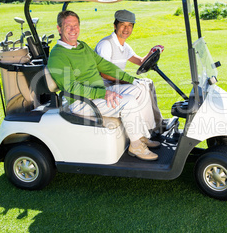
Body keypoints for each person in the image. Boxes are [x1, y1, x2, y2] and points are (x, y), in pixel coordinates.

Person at [47, 10, 159, 161]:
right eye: (68, 26)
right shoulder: (58, 55)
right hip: (81, 102)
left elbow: (104, 65)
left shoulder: (82, 46)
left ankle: (142, 135)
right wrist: (103, 94)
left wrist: (131, 79)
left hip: (98, 92)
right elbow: (71, 88)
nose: (73, 29)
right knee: (129, 101)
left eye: (76, 25)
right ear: (59, 28)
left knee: (140, 88)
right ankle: (136, 145)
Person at [94, 10, 166, 134]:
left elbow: (140, 61)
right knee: (141, 87)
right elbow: (104, 74)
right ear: (115, 25)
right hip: (104, 86)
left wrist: (152, 52)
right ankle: (150, 129)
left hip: (116, 83)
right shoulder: (106, 44)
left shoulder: (124, 46)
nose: (126, 29)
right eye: (123, 25)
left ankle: (158, 122)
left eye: (130, 25)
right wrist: (128, 79)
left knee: (148, 82)